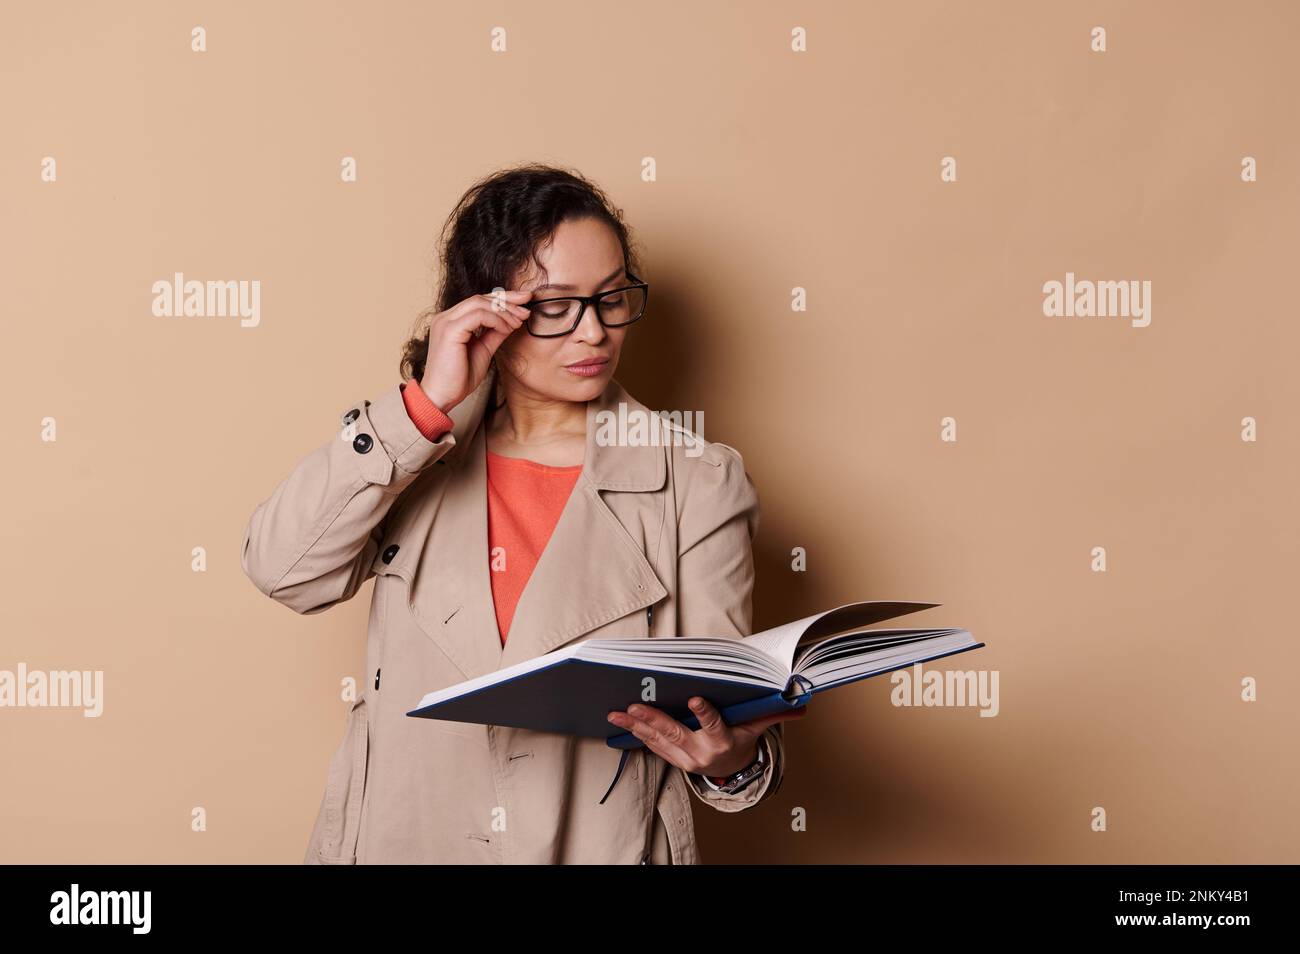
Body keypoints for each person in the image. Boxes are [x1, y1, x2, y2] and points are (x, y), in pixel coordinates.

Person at [240, 163, 805, 864]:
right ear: (482, 310)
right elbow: (282, 569)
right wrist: (424, 406)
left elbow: (723, 720)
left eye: (611, 297)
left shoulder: (697, 481)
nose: (594, 332)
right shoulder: (415, 447)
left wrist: (730, 760)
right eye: (554, 306)